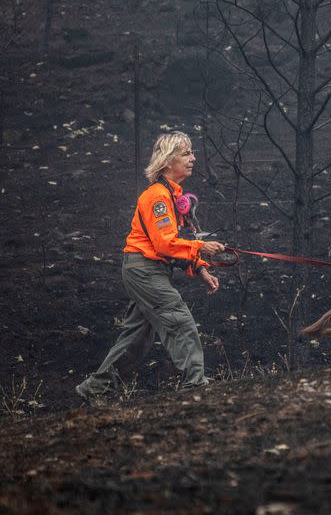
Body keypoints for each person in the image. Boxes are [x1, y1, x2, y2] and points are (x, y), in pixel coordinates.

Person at [76, 131, 226, 401]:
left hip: (146, 269)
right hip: (143, 269)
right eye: (186, 153)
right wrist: (201, 247)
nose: (193, 158)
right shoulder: (157, 197)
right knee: (178, 319)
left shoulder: (169, 196)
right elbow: (166, 244)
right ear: (169, 161)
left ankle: (95, 389)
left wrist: (200, 268)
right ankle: (196, 384)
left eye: (191, 153)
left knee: (137, 337)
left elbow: (174, 243)